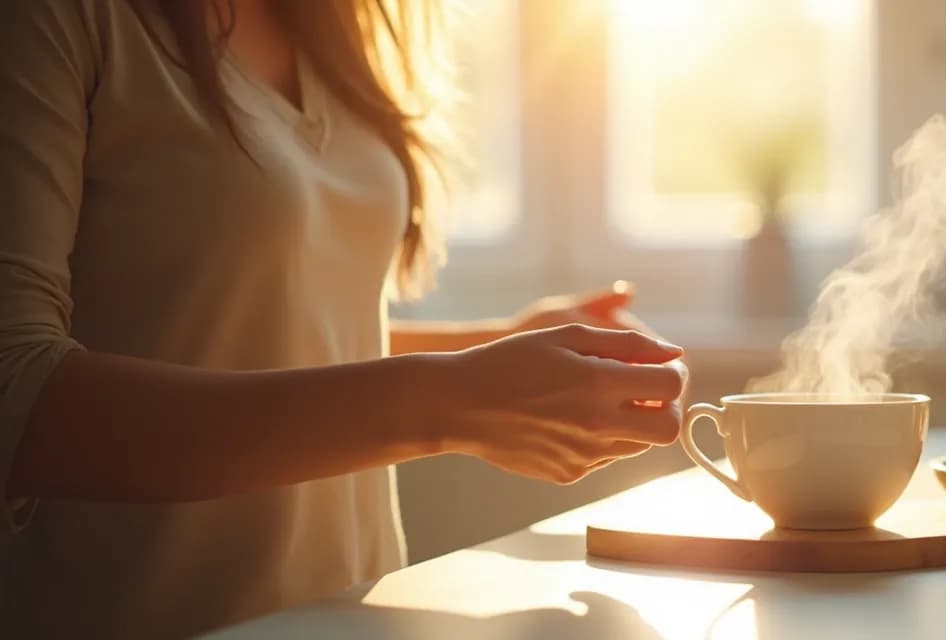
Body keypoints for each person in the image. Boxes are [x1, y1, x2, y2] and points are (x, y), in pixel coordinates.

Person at [0, 1, 688, 637]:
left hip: (353, 617)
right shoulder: (60, 20)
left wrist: (495, 348)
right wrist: (451, 401)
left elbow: (258, 321)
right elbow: (20, 395)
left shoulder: (325, 24)